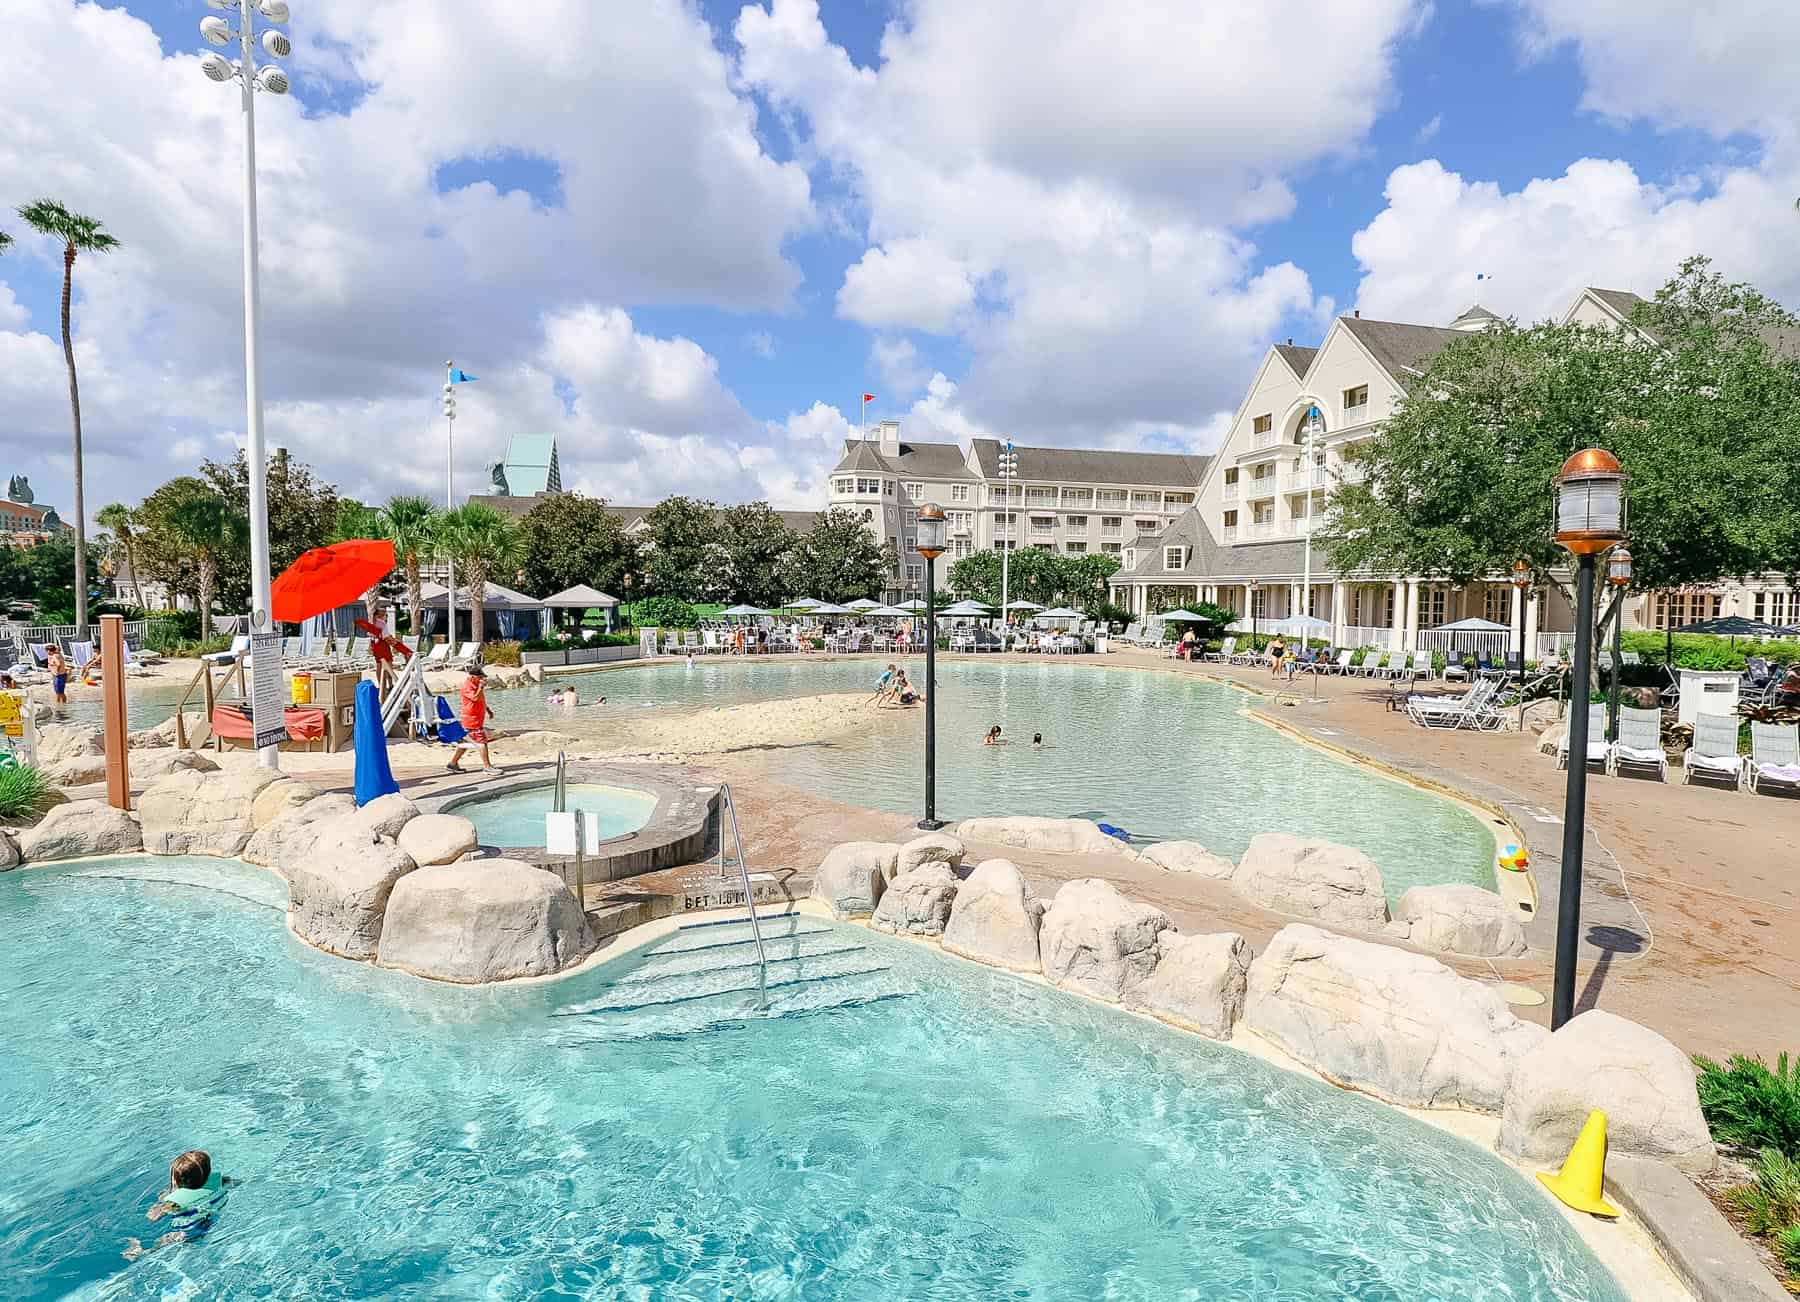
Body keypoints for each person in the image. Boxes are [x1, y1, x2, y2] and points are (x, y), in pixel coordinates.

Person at [446, 665, 495, 772]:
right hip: (471, 720)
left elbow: (481, 699)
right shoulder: (467, 687)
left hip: (475, 719)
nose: (482, 679)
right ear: (473, 677)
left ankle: (452, 764)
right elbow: (475, 698)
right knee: (482, 742)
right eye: (480, 677)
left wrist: (488, 710)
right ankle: (487, 767)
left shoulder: (476, 685)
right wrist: (481, 687)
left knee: (464, 743)